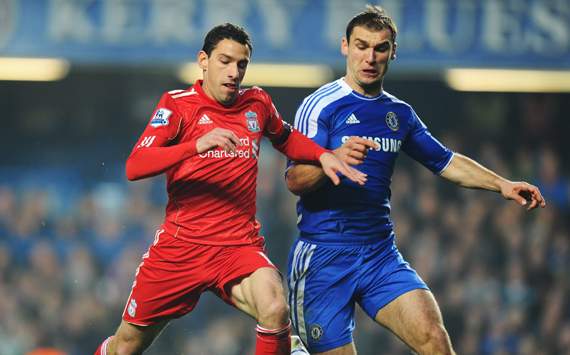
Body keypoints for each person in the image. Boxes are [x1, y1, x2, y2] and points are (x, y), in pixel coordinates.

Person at [285, 5, 546, 355]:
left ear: (393, 52)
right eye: (361, 46)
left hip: (380, 255)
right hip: (324, 258)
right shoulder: (321, 106)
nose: (370, 57)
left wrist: (502, 184)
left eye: (380, 48)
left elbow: (445, 161)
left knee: (435, 341)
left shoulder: (398, 113)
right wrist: (331, 160)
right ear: (345, 46)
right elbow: (295, 180)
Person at [94, 23, 366, 355]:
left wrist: (323, 155)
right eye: (224, 61)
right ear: (203, 60)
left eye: (241, 64)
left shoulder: (257, 103)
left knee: (275, 306)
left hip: (236, 247)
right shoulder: (177, 105)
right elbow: (135, 166)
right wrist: (194, 146)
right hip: (181, 249)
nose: (234, 72)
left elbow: (285, 137)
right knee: (125, 347)